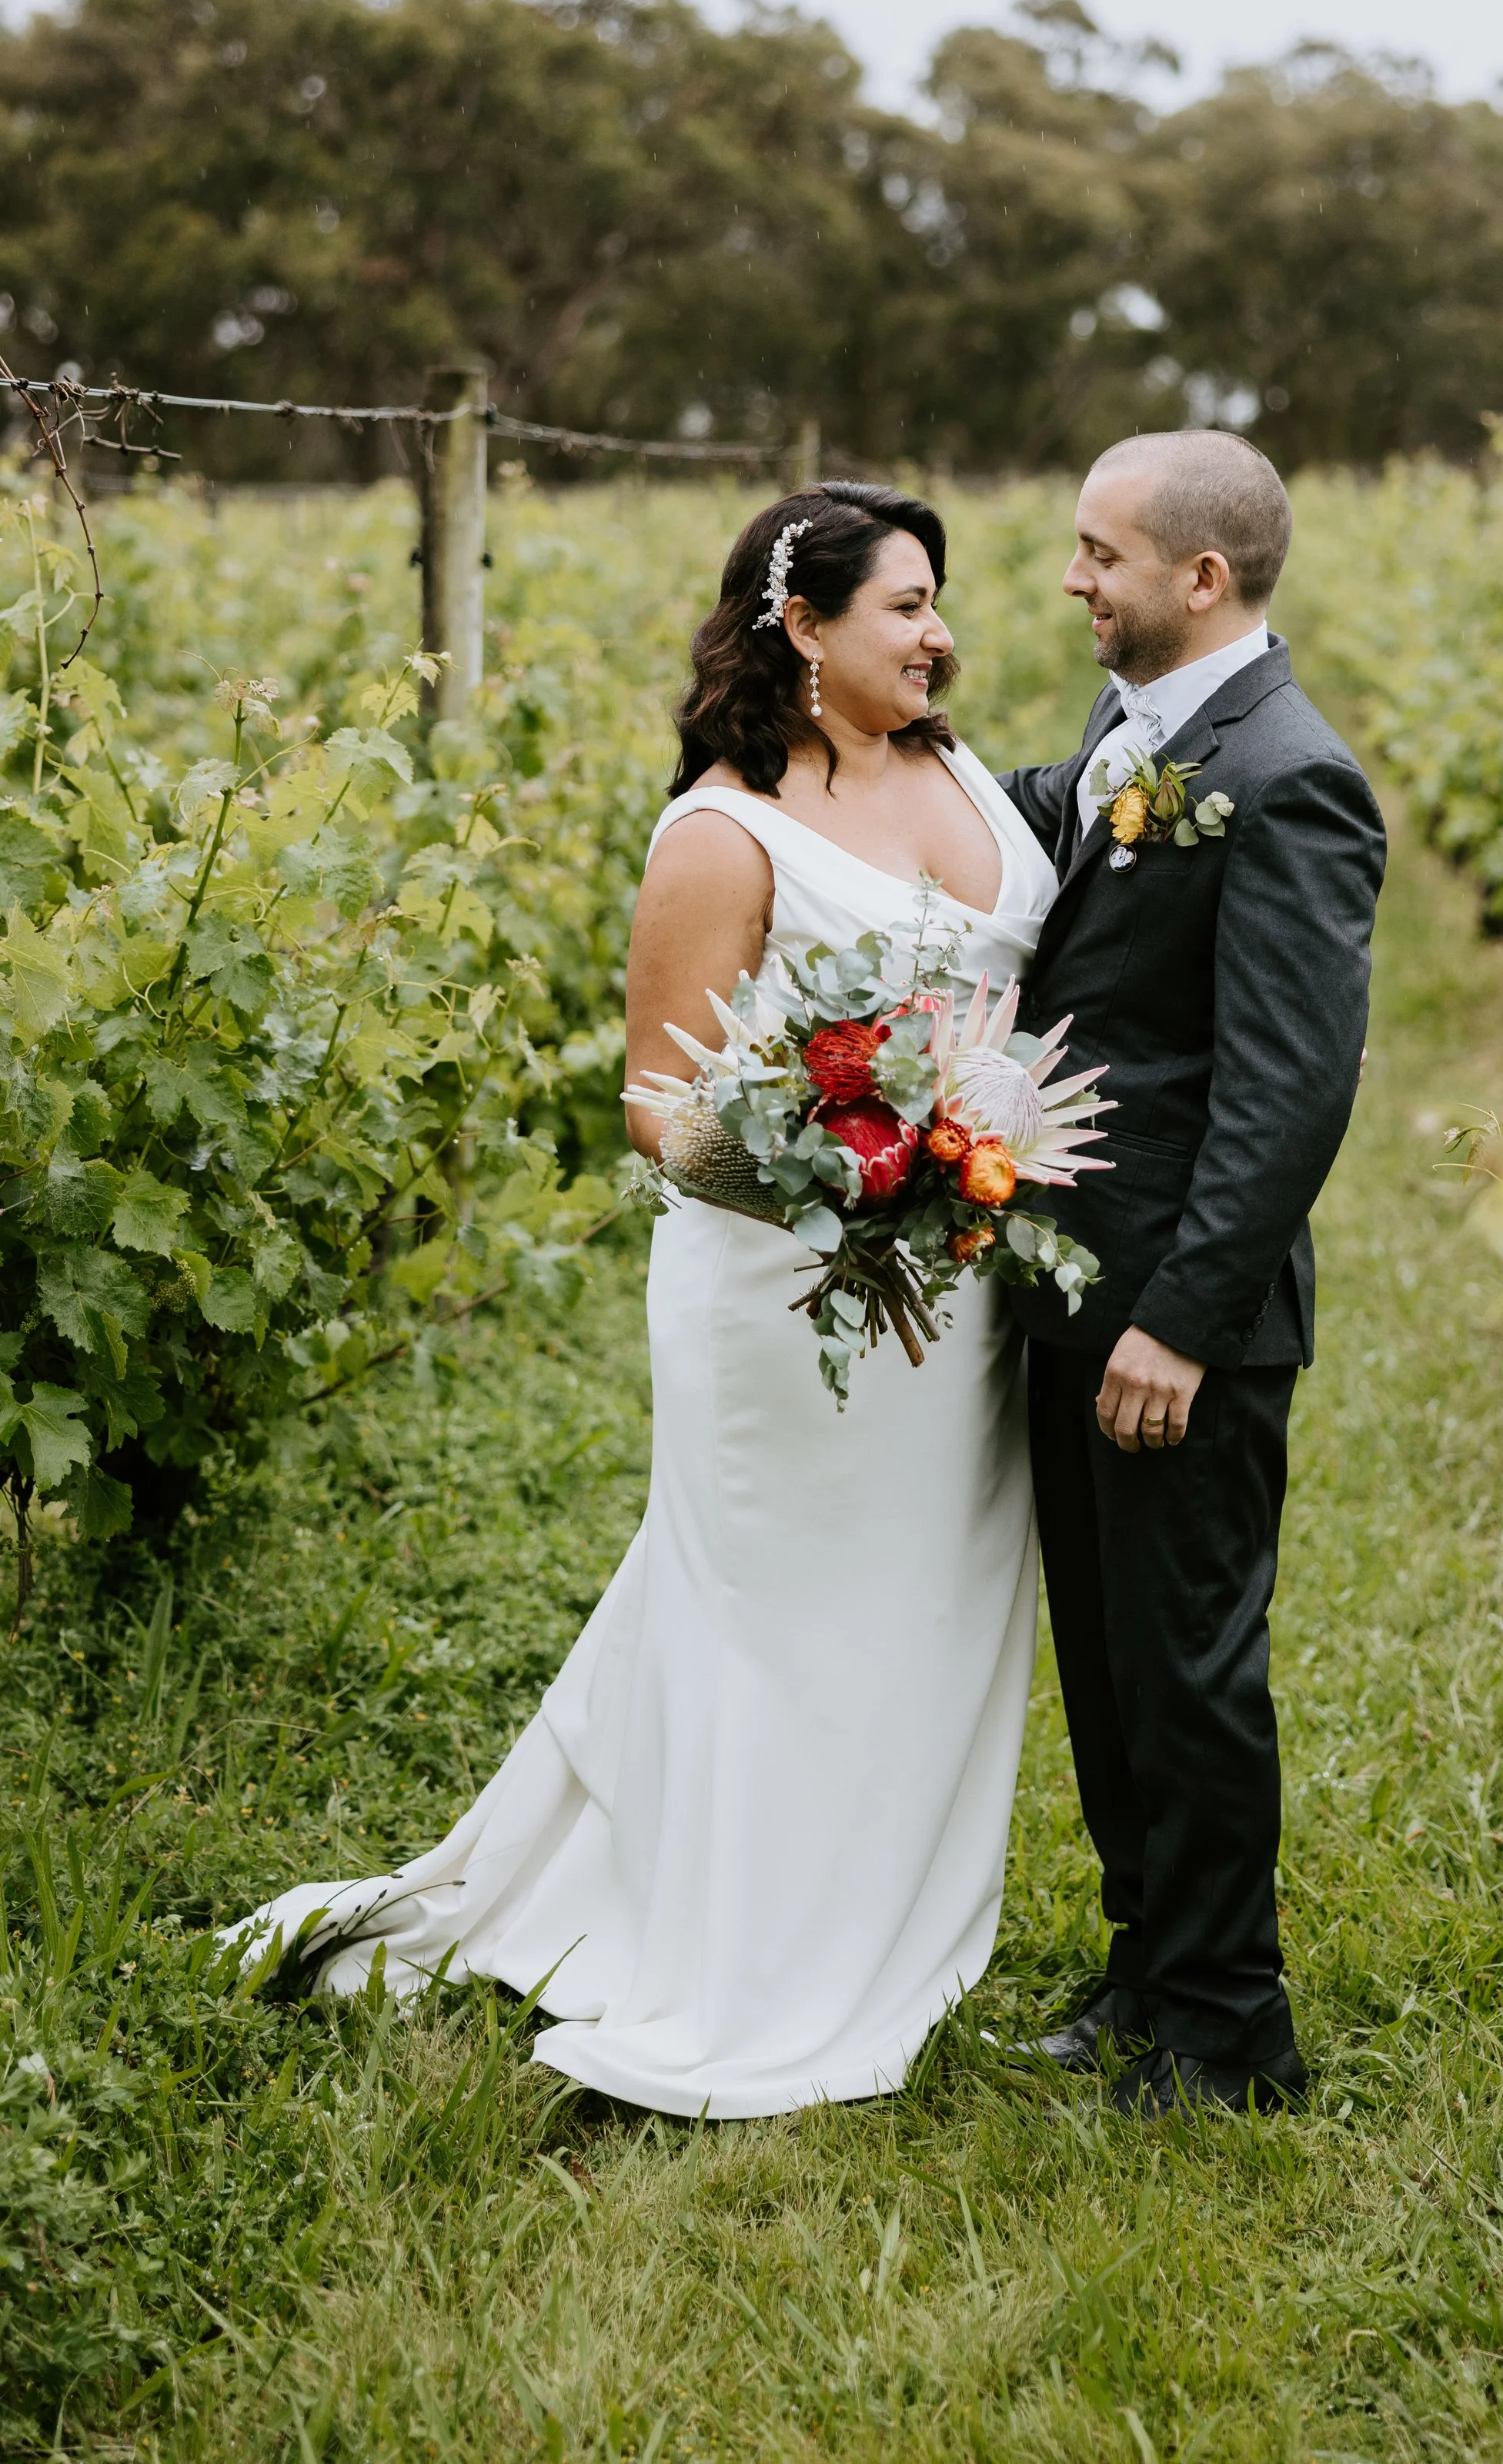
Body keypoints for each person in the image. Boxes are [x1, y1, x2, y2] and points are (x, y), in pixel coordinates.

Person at [226, 483, 1059, 2118]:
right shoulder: (720, 829)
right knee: (775, 1621)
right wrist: (853, 1184)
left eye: (938, 597)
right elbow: (655, 1104)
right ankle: (744, 1949)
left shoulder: (958, 767)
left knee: (925, 1615)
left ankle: (885, 1914)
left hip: (956, 1295)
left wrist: (957, 1182)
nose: (938, 630)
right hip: (790, 1295)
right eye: (903, 604)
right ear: (801, 625)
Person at [1000, 430, 1384, 2118]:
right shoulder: (1135, 724)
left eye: (1099, 553)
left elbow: (1287, 1087)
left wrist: (1176, 1319)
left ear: (1198, 579)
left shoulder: (1287, 772)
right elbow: (1067, 861)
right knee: (1104, 1650)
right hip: (1073, 1273)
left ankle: (1228, 2029)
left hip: (1178, 1304)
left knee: (1190, 1663)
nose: (1073, 579)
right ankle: (1144, 1960)